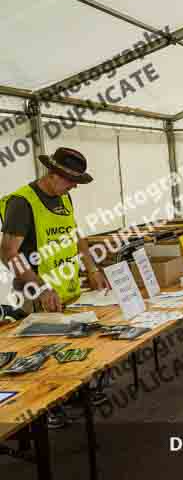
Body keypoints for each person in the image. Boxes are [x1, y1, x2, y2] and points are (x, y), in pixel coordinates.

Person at [0, 147, 111, 428]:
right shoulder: (21, 204)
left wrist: (92, 268)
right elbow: (8, 252)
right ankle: (42, 411)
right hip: (35, 293)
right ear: (53, 174)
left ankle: (68, 396)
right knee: (41, 355)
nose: (74, 186)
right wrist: (40, 288)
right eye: (71, 180)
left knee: (70, 349)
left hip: (67, 289)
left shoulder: (64, 197)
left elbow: (75, 235)